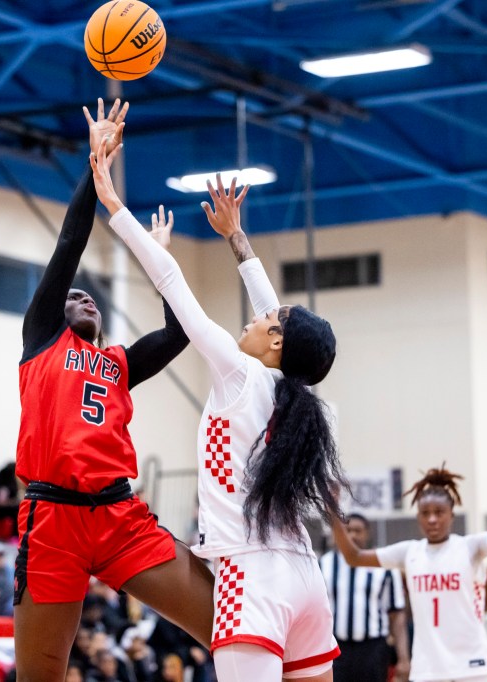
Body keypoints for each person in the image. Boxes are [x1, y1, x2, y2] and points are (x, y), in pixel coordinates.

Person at [92, 132, 348, 681]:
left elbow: (175, 285)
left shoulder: (241, 373)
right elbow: (278, 318)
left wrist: (114, 206)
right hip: (304, 576)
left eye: (268, 321)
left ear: (276, 342)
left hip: (250, 578)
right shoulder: (295, 395)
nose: (257, 318)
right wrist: (237, 240)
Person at [12, 98, 215, 682]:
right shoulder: (43, 338)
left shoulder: (119, 363)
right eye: (75, 295)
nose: (84, 297)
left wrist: (162, 267)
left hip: (119, 513)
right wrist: (95, 162)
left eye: (90, 297)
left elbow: (182, 331)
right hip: (52, 518)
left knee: (228, 625)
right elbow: (70, 243)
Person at [330, 464, 487, 682]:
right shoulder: (409, 551)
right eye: (425, 513)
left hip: (472, 665)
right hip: (428, 669)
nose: (432, 519)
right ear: (418, 518)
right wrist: (332, 509)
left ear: (451, 516)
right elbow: (354, 557)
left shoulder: (471, 547)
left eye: (439, 512)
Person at [319, 514, 409, 682]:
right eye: (347, 530)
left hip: (373, 648)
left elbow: (397, 615)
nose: (352, 535)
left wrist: (403, 658)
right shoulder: (323, 564)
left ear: (367, 533)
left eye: (358, 530)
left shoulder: (385, 566)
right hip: (336, 648)